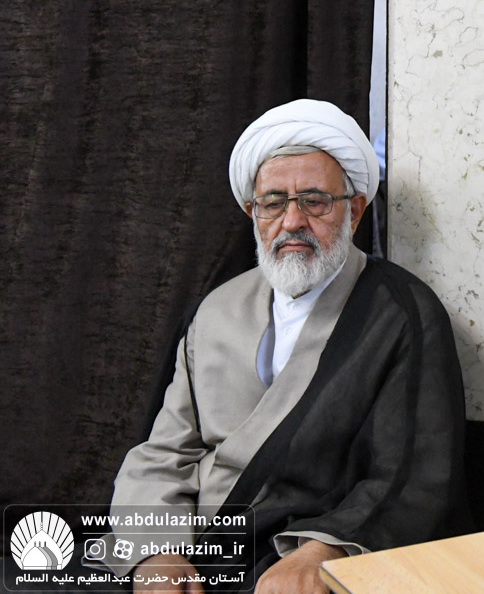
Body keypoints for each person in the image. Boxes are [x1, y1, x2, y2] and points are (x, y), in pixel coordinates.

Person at [107, 100, 465, 594]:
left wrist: (323, 552)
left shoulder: (400, 313)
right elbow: (165, 451)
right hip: (193, 546)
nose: (292, 220)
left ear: (354, 210)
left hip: (297, 552)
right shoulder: (216, 310)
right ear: (253, 213)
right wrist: (155, 551)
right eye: (274, 202)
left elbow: (412, 475)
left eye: (315, 201)